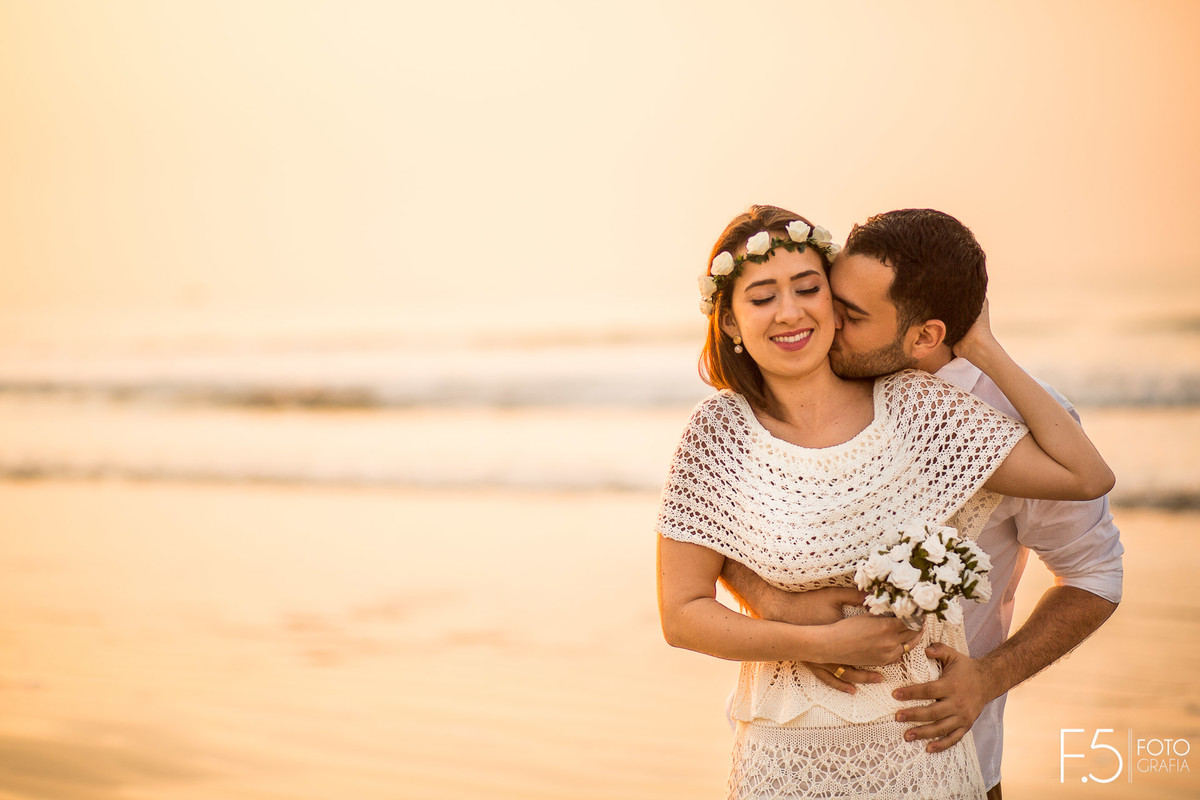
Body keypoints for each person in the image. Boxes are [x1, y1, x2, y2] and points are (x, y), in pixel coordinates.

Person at [656, 204, 1115, 799]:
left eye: (814, 293)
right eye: (764, 297)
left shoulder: (924, 408)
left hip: (933, 751)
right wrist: (791, 618)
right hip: (783, 755)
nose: (795, 312)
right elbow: (691, 594)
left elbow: (1088, 498)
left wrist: (982, 343)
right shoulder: (720, 430)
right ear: (730, 322)